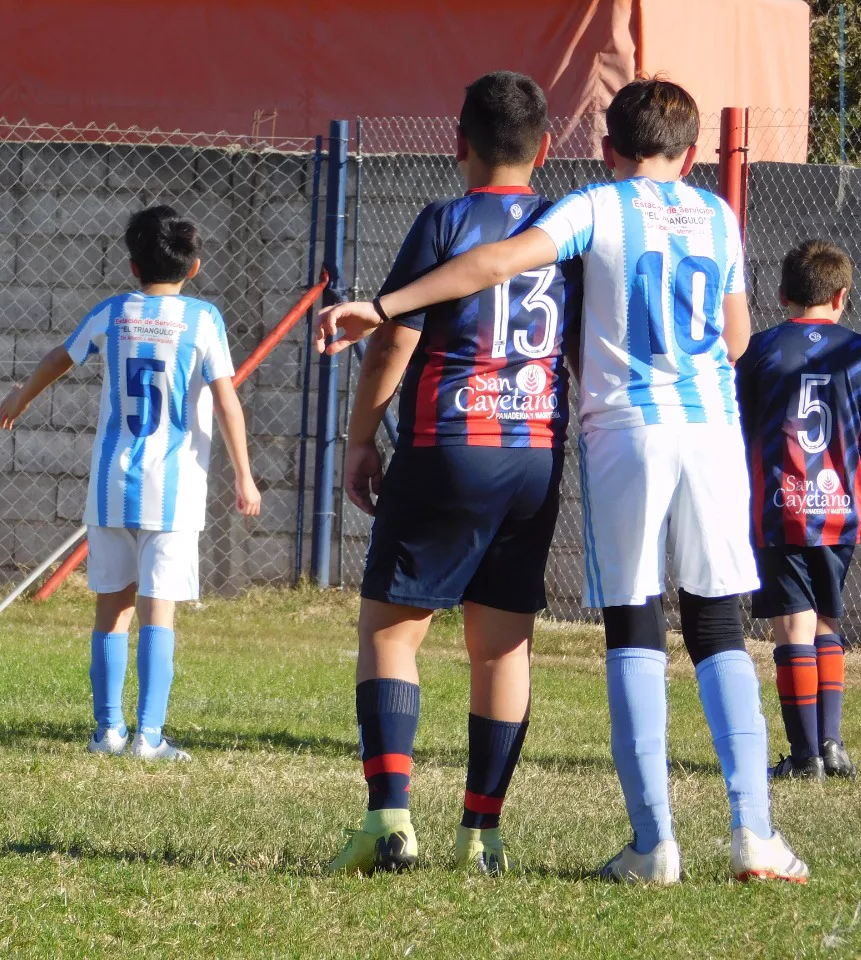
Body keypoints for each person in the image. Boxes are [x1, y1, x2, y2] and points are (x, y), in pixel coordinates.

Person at [315, 77, 809, 884]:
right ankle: (754, 833)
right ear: (692, 154)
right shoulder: (719, 214)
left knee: (635, 625)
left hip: (619, 431)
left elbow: (495, 262)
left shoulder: (595, 206)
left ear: (606, 149)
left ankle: (653, 842)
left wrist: (386, 304)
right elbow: (736, 339)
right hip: (708, 431)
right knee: (719, 624)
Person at [326, 72, 580, 876]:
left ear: (457, 140)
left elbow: (395, 336)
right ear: (546, 146)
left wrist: (360, 439)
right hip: (533, 451)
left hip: (449, 442)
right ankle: (482, 836)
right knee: (502, 649)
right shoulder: (567, 228)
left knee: (391, 630)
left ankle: (389, 821)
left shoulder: (446, 220)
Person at [0, 205, 261, 760]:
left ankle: (107, 731)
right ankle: (149, 736)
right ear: (194, 267)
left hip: (111, 487)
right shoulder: (202, 318)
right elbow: (226, 400)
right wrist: (245, 474)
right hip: (173, 493)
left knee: (111, 608)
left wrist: (21, 397)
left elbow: (61, 357)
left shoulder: (113, 312)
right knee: (157, 610)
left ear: (132, 265)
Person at [736, 239, 861, 781]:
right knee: (826, 618)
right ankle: (831, 745)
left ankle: (805, 754)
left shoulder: (760, 350)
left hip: (780, 507)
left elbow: (739, 425)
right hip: (840, 508)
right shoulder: (860, 353)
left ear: (782, 294)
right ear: (841, 296)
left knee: (793, 623)